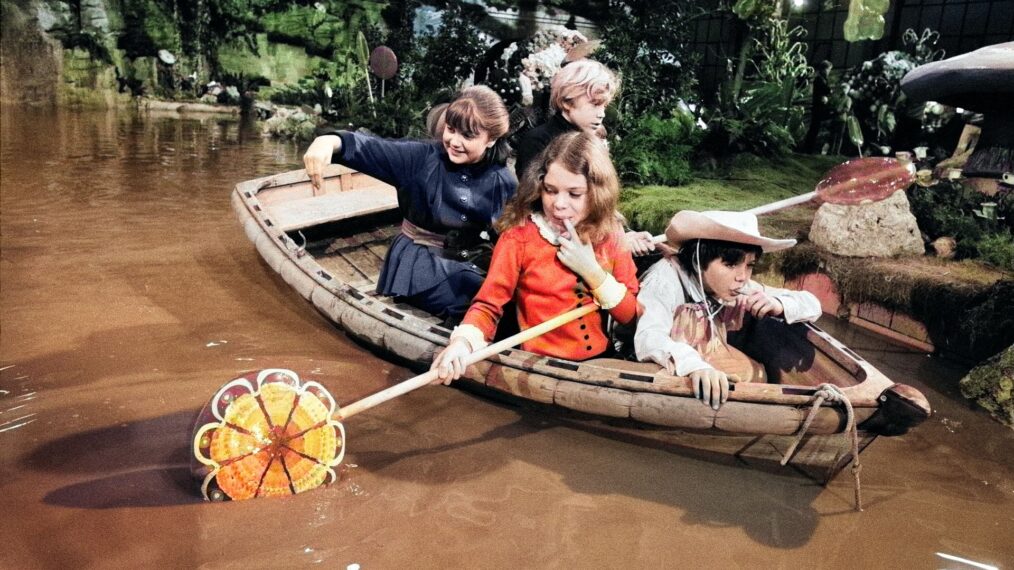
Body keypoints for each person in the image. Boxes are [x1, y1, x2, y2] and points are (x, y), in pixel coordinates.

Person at [431, 131, 640, 383]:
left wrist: (593, 272)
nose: (558, 204)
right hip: (542, 369)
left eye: (574, 194)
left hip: (600, 364)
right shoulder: (519, 238)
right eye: (550, 190)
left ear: (597, 193)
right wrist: (463, 344)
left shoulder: (611, 234)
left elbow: (630, 316)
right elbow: (488, 306)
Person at [303, 85, 516, 321]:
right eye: (451, 129)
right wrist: (328, 142)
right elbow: (368, 147)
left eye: (467, 136)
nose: (454, 141)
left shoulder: (502, 179)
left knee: (515, 298)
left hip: (473, 258)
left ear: (491, 139)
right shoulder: (418, 159)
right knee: (478, 301)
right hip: (421, 261)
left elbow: (514, 232)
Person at [634, 210, 822, 410]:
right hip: (664, 362)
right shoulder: (664, 281)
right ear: (698, 262)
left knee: (757, 375)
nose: (742, 276)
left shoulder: (738, 285)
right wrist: (694, 366)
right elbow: (649, 337)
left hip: (708, 352)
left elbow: (811, 304)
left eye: (749, 265)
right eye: (731, 264)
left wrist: (779, 304)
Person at [515, 59, 654, 257]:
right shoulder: (537, 141)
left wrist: (628, 234)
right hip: (557, 245)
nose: (601, 114)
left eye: (604, 105)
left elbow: (601, 199)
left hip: (594, 236)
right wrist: (616, 240)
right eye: (595, 104)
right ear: (566, 102)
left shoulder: (592, 141)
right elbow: (545, 208)